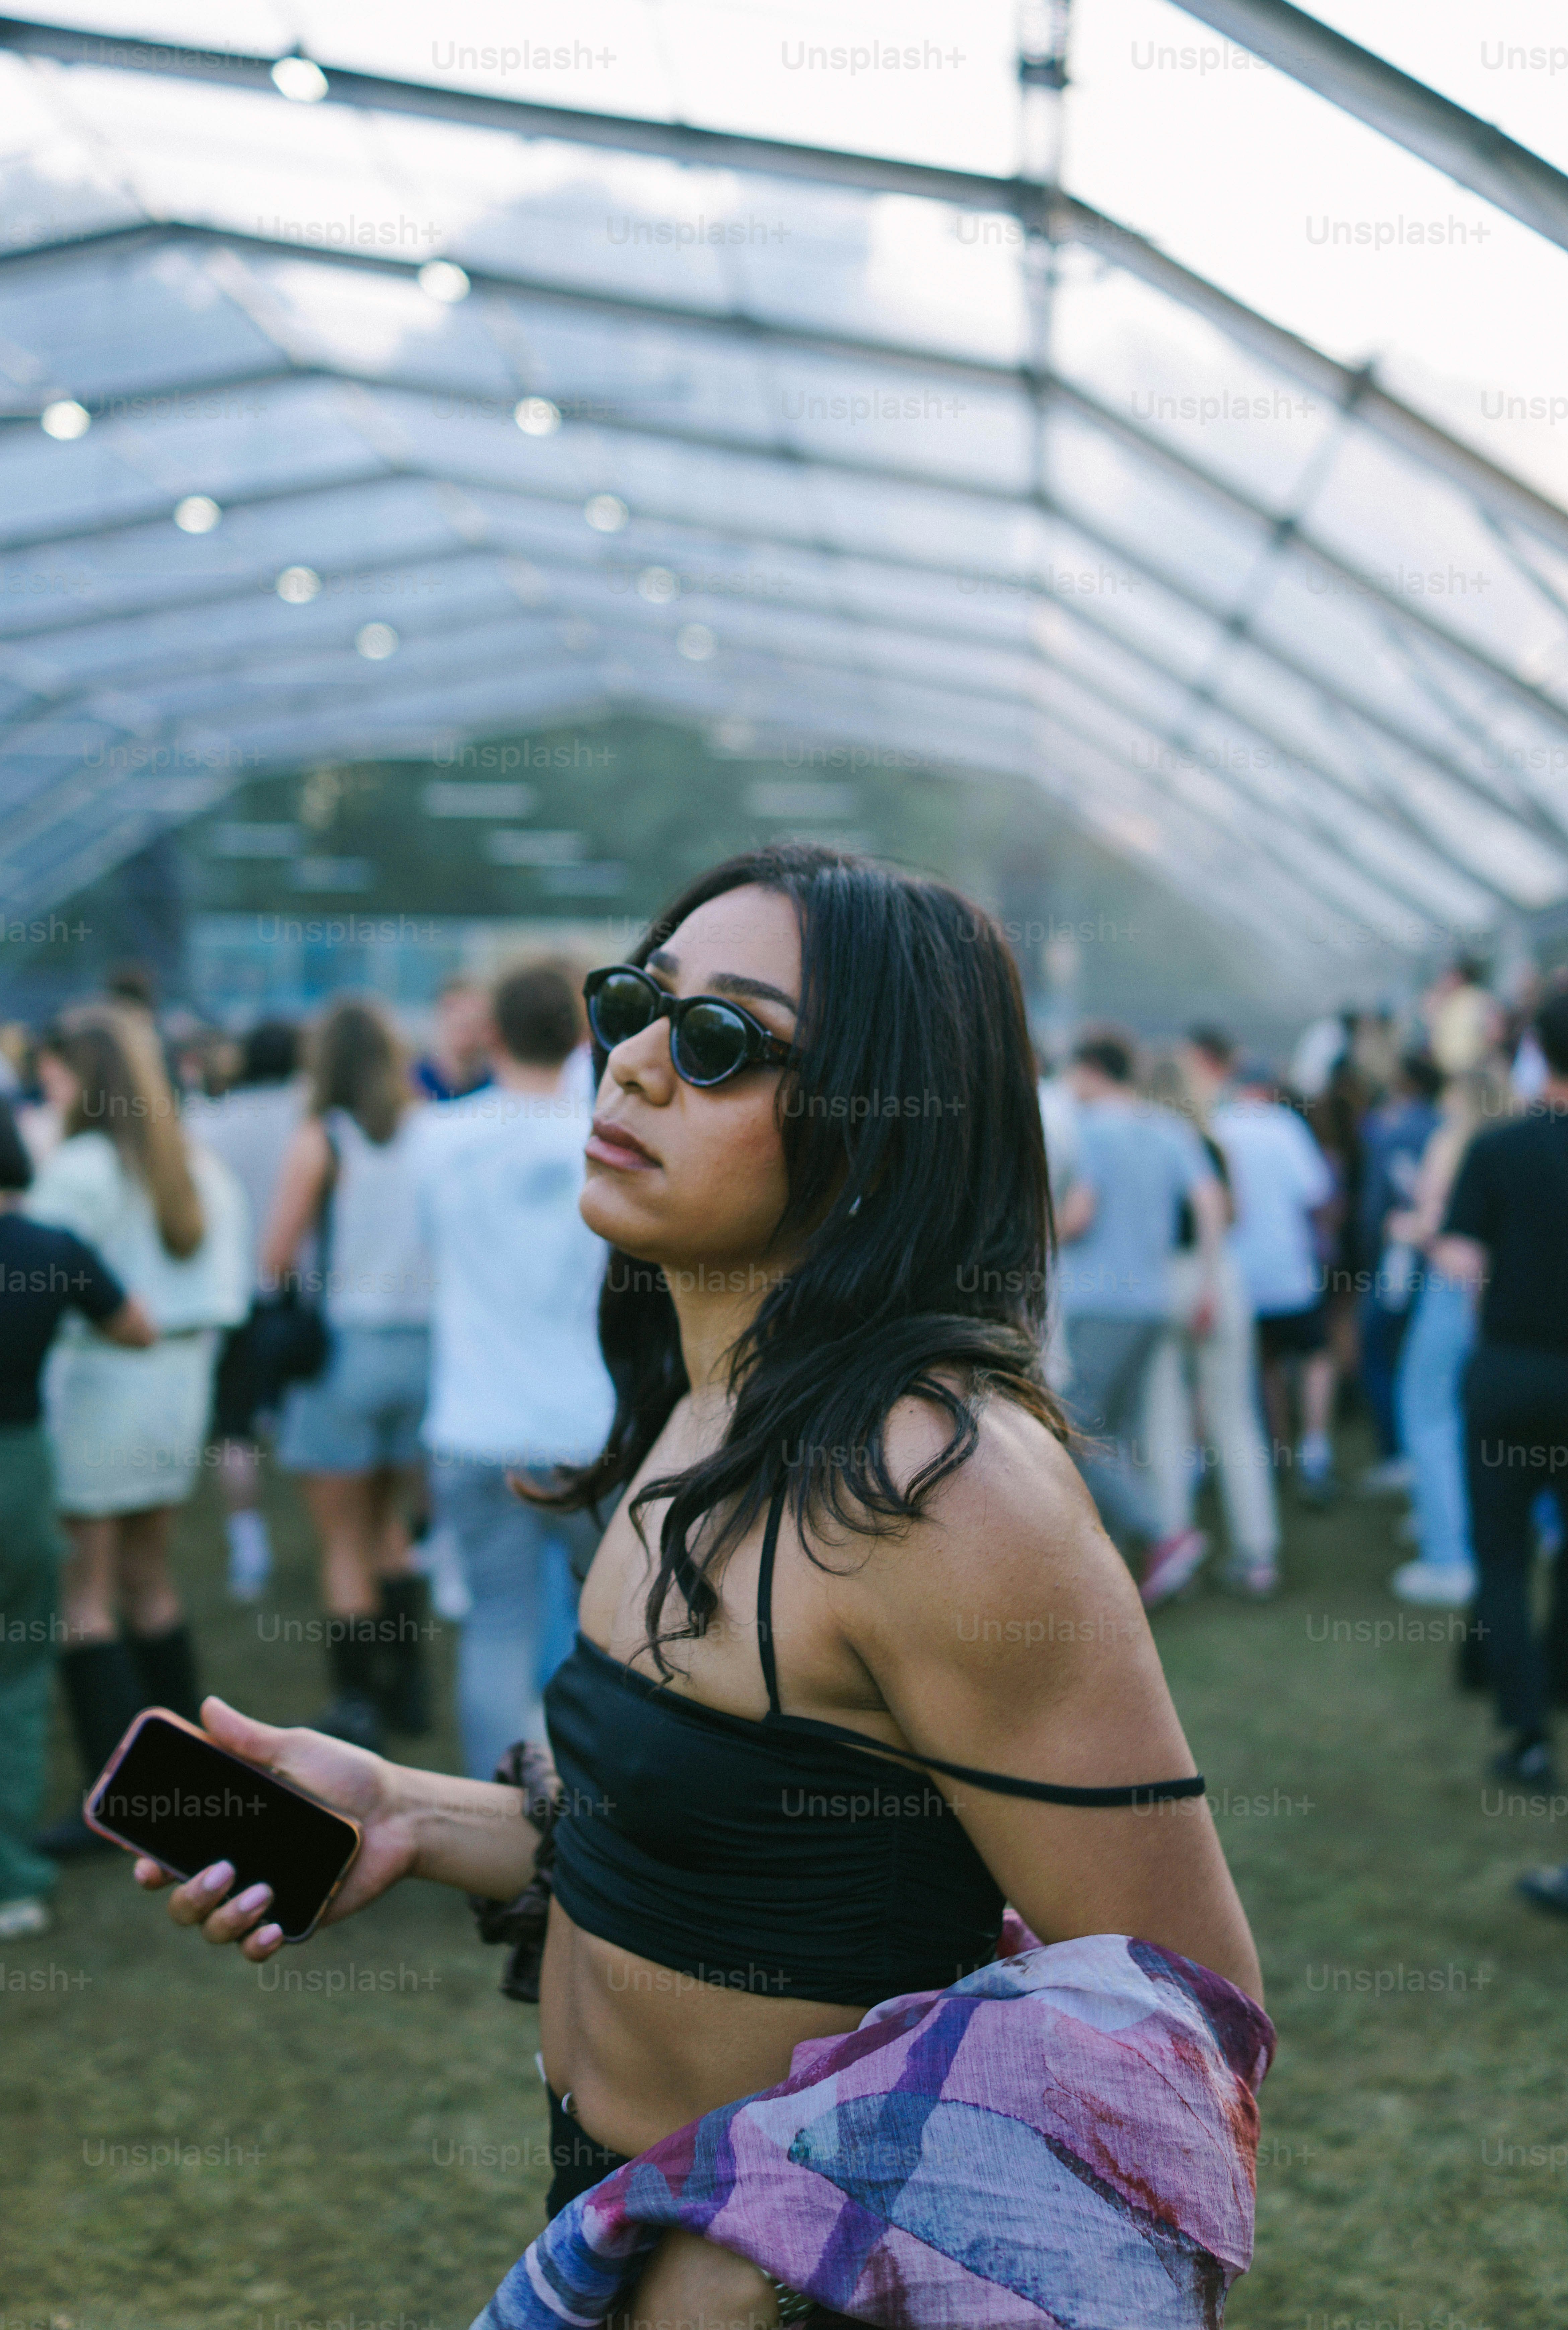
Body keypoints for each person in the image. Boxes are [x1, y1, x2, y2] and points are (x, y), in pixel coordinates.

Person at [132, 846, 1265, 2328]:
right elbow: (715, 1834)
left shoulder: (943, 1491)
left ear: (880, 1124)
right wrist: (408, 1814)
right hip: (614, 2215)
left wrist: (767, 2254)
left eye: (723, 1040)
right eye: (638, 1007)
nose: (641, 1066)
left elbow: (1183, 2022)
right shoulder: (706, 1399)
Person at [25, 1003, 249, 1855]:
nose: (44, 1083)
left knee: (85, 1599)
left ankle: (124, 1799)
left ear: (87, 1077)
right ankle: (192, 1779)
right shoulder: (194, 1162)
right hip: (177, 1384)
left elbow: (36, 1281)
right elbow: (231, 1292)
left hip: (99, 1387)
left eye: (55, 1070)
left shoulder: (82, 1167)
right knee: (150, 1582)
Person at [408, 965, 613, 1779]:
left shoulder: (436, 1135)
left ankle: (490, 1821)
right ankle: (603, 1801)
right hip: (586, 1425)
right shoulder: (607, 1134)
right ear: (580, 1036)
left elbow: (431, 1253)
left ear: (489, 1032)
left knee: (495, 1621)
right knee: (610, 1625)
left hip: (474, 1423)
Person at [0, 1101, 156, 1937]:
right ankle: (10, 1879)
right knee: (16, 1675)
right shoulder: (53, 1247)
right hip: (17, 1465)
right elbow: (137, 1328)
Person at [263, 999, 432, 1753]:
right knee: (392, 1523)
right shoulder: (431, 1128)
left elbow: (274, 1256)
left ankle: (358, 1704)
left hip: (344, 1351)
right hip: (423, 1351)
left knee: (343, 1537)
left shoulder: (322, 1138)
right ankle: (415, 1690)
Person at [1433, 991, 1568, 1816]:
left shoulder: (1496, 1146)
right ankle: (1550, 1675)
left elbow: (1455, 1255)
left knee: (1500, 1551)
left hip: (1508, 1371)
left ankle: (1524, 1729)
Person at [1056, 1030, 1227, 1606]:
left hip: (1099, 1302)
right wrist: (1206, 1281)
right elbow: (1210, 1203)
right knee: (1115, 1434)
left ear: (1090, 1069)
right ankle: (1119, 1566)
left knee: (1072, 1430)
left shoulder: (1090, 1131)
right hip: (1152, 1301)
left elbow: (1080, 1215)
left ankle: (1164, 1536)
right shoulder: (1169, 1129)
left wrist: (1027, 1229)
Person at [1143, 1042, 1281, 1598]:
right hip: (1216, 1277)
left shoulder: (1145, 1144)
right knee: (1235, 1419)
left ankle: (1174, 1543)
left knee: (1164, 1421)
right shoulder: (1213, 1144)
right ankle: (1257, 1552)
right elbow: (1233, 1215)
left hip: (1160, 1282)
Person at [183, 1019, 303, 1601]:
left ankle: (247, 1543)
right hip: (301, 1291)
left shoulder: (210, 1123)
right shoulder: (313, 1119)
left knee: (232, 1426)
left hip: (233, 1292)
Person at [1384, 1069, 1503, 1609]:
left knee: (1428, 1412)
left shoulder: (1452, 1142)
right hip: (1503, 1296)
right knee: (1479, 1420)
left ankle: (1448, 1556)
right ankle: (1466, 1527)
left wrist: (1407, 1227)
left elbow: (1443, 1226)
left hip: (1451, 1289)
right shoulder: (1515, 1144)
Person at [1212, 1061, 1338, 1506]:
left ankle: (1279, 1450)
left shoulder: (1218, 1125)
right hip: (1289, 1269)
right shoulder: (1285, 1127)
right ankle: (1315, 1448)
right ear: (1267, 1090)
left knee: (1264, 1363)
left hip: (1240, 1273)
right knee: (1315, 1357)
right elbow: (1316, 1192)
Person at [1355, 1052, 1444, 1491]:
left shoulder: (1395, 1133)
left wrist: (1366, 1253)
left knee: (1382, 1352)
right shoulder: (1446, 1127)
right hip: (1442, 1265)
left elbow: (1377, 1205)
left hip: (1400, 1257)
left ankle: (1400, 1454)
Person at [412, 977, 494, 1103]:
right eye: (455, 1009)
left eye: (472, 1011)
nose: (464, 1018)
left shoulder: (500, 1081)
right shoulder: (414, 1082)